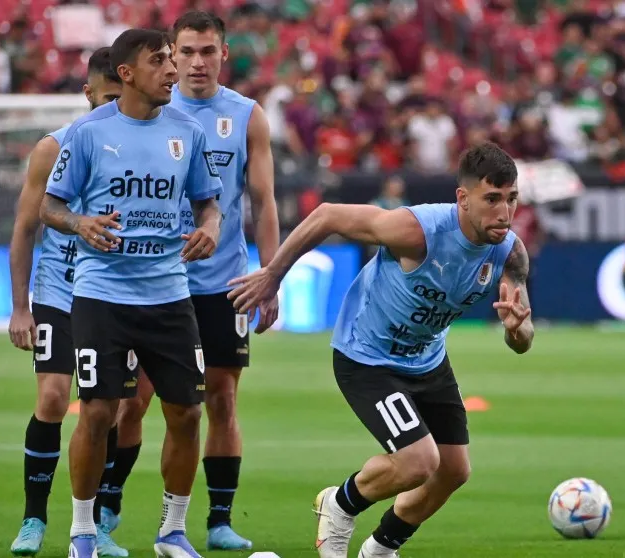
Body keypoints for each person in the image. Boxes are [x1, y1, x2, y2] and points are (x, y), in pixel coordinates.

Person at [227, 142, 534, 558]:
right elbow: (327, 215)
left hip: (427, 359)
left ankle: (382, 547)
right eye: (492, 199)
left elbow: (523, 338)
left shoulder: (510, 253)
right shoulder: (417, 231)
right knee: (418, 461)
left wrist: (517, 330)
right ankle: (340, 505)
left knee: (454, 471)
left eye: (511, 199)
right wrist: (272, 276)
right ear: (462, 199)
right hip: (366, 356)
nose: (504, 212)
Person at [39, 28, 223, 558]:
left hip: (169, 294)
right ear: (126, 74)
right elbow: (50, 207)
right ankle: (82, 531)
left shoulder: (187, 132)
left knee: (188, 412)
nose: (173, 70)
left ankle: (172, 530)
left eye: (172, 59)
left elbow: (207, 203)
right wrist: (79, 223)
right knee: (97, 413)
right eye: (160, 61)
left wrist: (209, 226)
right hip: (102, 295)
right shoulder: (88, 133)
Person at [104, 11, 279, 551]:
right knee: (133, 401)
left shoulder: (247, 116)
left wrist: (270, 275)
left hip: (223, 284)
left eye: (208, 51)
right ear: (170, 55)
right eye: (187, 52)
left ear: (224, 53)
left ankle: (218, 521)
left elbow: (264, 200)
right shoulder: (149, 109)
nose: (197, 62)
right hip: (154, 282)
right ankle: (106, 504)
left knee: (222, 400)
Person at [7, 47, 129, 558]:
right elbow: (24, 230)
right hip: (60, 291)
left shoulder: (142, 143)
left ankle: (98, 522)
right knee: (55, 398)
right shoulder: (52, 147)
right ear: (88, 94)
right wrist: (20, 307)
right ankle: (34, 518)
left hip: (119, 296)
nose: (114, 109)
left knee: (112, 413)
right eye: (106, 99)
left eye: (122, 99)